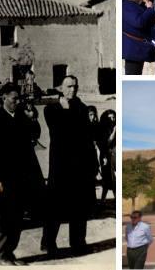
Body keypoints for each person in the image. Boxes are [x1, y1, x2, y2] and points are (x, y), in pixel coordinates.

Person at [0, 82, 45, 265]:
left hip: (21, 178)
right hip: (2, 179)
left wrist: (33, 118)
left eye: (18, 99)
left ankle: (9, 253)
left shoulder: (21, 117)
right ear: (4, 98)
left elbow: (35, 134)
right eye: (13, 99)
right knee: (4, 218)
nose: (17, 102)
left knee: (17, 217)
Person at [43, 75, 98, 255]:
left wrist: (93, 164)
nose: (72, 90)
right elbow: (60, 133)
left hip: (80, 168)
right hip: (60, 167)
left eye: (74, 86)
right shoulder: (51, 109)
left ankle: (78, 243)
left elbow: (87, 137)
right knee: (55, 207)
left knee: (79, 208)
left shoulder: (82, 108)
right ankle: (48, 243)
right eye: (68, 86)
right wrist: (66, 111)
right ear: (60, 88)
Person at [122, 0, 155, 75]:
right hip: (133, 49)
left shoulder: (138, 4)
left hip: (139, 49)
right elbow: (138, 22)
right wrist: (149, 9)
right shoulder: (128, 5)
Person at [98, 109, 116, 201]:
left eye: (114, 117)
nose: (112, 119)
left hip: (113, 155)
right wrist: (114, 131)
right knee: (106, 178)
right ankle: (102, 200)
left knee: (113, 179)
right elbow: (107, 142)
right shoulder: (103, 129)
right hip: (105, 155)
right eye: (110, 118)